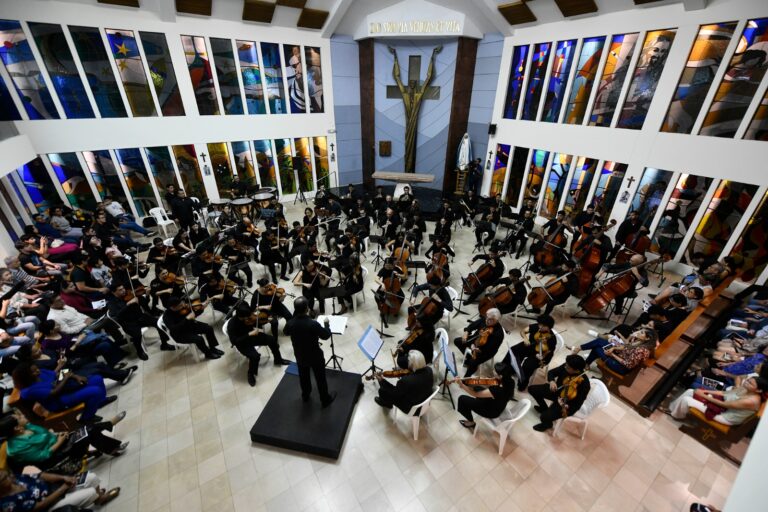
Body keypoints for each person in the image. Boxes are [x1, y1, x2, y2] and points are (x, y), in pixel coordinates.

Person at [0, 409, 127, 469]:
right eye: (20, 417)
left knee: (88, 430)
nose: (23, 415)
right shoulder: (16, 448)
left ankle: (112, 447)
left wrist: (58, 434)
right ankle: (109, 426)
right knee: (89, 431)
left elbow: (46, 433)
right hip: (55, 457)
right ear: (16, 428)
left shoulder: (27, 426)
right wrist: (60, 441)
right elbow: (43, 456)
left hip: (59, 442)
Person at [12, 362, 113, 423]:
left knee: (97, 379)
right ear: (26, 376)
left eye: (36, 369)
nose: (38, 371)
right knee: (95, 391)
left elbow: (56, 374)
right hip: (59, 401)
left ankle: (100, 401)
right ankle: (87, 417)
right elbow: (54, 392)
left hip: (65, 389)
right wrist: (66, 378)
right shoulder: (29, 390)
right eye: (33, 371)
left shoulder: (40, 372)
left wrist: (75, 376)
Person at [282, 297, 336, 407]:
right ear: (307, 308)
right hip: (314, 355)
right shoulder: (312, 324)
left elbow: (285, 332)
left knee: (304, 376)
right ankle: (325, 399)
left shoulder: (291, 323)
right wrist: (327, 326)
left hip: (300, 355)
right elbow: (325, 335)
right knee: (320, 377)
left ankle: (305, 395)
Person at [0, 468, 120, 510]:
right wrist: (62, 489)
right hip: (49, 506)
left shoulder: (14, 478)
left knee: (91, 477)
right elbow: (38, 507)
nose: (9, 477)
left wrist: (63, 478)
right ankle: (96, 496)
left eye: (7, 474)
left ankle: (99, 498)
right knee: (90, 492)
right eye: (5, 478)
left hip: (54, 489)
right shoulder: (7, 504)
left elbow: (40, 475)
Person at [227, 305, 290, 386]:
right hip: (242, 343)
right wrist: (249, 334)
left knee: (272, 339)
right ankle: (251, 373)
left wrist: (266, 320)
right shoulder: (232, 324)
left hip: (252, 337)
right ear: (243, 317)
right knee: (255, 356)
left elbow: (255, 322)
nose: (251, 316)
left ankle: (278, 360)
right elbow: (234, 341)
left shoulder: (248, 318)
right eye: (249, 316)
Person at [669, 376, 767, 426]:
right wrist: (704, 391)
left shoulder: (751, 401)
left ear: (759, 390)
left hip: (726, 416)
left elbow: (724, 404)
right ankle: (672, 409)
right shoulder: (746, 389)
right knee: (691, 391)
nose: (746, 382)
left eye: (750, 383)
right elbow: (724, 393)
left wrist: (703, 395)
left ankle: (677, 416)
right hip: (723, 406)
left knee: (687, 400)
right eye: (748, 380)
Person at [528, 354, 591, 432]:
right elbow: (551, 372)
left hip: (566, 402)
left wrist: (564, 405)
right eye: (566, 364)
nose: (565, 367)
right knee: (532, 389)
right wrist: (551, 381)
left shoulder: (584, 384)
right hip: (556, 391)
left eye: (568, 367)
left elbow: (577, 404)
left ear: (577, 370)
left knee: (544, 417)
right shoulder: (567, 365)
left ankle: (547, 424)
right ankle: (544, 408)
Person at [454, 362, 516, 430]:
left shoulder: (497, 390)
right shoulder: (510, 381)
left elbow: (475, 394)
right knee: (477, 388)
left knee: (462, 399)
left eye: (495, 371)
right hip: (498, 404)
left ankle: (471, 422)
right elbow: (492, 383)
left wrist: (462, 385)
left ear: (500, 376)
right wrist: (480, 380)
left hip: (492, 411)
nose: (493, 371)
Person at [507, 314, 557, 391]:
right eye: (540, 324)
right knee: (515, 349)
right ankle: (509, 369)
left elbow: (549, 351)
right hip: (531, 346)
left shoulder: (552, 338)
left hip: (542, 354)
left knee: (527, 365)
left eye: (543, 326)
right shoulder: (536, 326)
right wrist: (525, 338)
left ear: (548, 327)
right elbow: (523, 331)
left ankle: (522, 385)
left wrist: (542, 356)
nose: (540, 327)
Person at [454, 308, 505, 377]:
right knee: (457, 341)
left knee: (473, 362)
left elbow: (490, 349)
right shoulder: (486, 319)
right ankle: (468, 358)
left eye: (490, 319)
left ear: (496, 320)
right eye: (486, 317)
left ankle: (466, 379)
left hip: (486, 351)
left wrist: (478, 350)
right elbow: (472, 325)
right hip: (475, 340)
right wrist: (466, 332)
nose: (486, 320)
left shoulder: (498, 334)